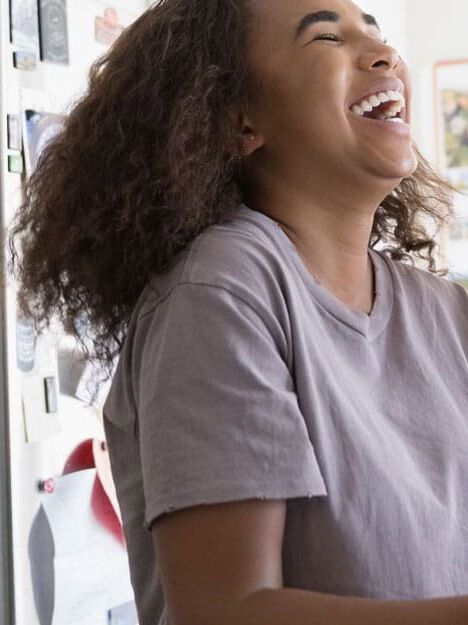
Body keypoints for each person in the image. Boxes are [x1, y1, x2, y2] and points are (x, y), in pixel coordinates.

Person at [7, 0, 468, 624]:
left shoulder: (441, 307)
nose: (385, 55)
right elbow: (226, 610)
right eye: (327, 37)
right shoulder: (222, 288)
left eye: (379, 34)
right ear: (237, 121)